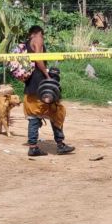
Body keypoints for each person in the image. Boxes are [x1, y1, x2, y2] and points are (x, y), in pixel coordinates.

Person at [23, 25, 75, 157]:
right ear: (38, 33)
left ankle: (33, 147)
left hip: (31, 84)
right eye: (42, 34)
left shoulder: (28, 43)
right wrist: (47, 76)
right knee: (56, 111)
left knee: (34, 115)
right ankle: (60, 144)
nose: (43, 37)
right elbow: (38, 59)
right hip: (41, 84)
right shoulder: (37, 40)